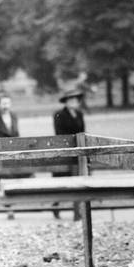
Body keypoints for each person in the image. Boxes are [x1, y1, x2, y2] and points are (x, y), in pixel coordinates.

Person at [52, 88, 86, 220]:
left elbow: (82, 131)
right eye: (70, 100)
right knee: (62, 181)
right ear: (65, 102)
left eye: (75, 100)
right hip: (65, 151)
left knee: (78, 181)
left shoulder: (79, 114)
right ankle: (56, 205)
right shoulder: (59, 114)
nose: (74, 102)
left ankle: (77, 212)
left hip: (78, 151)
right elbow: (59, 133)